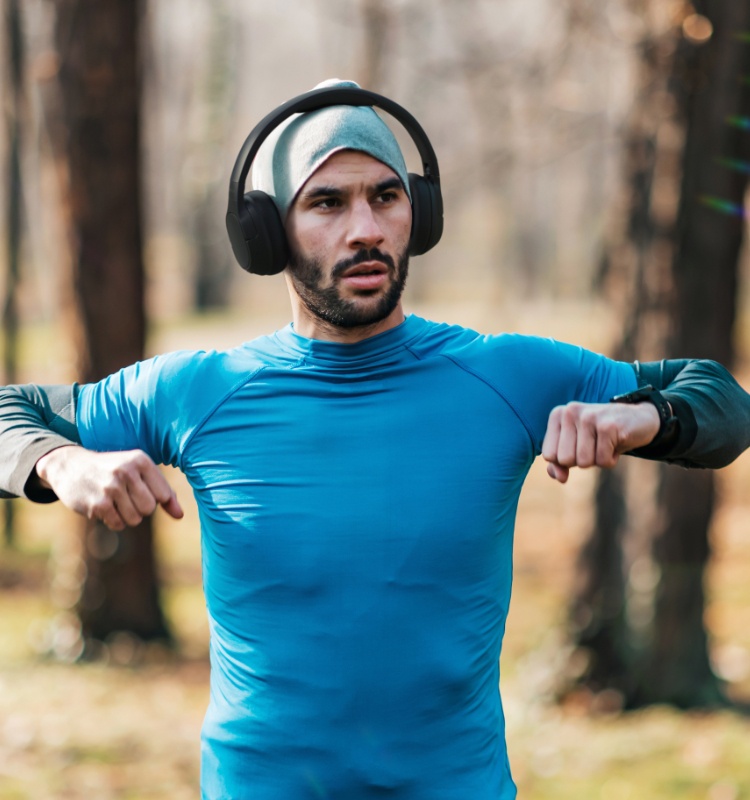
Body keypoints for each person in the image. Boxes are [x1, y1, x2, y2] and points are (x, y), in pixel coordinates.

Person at [1, 78, 750, 800]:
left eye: (385, 197)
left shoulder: (508, 374)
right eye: (326, 202)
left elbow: (723, 403)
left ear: (417, 213)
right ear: (267, 233)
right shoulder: (196, 390)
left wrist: (646, 416)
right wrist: (60, 461)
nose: (365, 230)